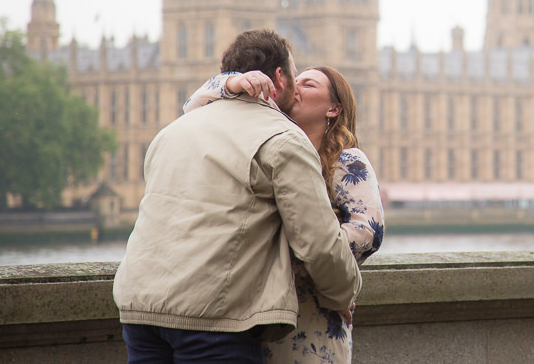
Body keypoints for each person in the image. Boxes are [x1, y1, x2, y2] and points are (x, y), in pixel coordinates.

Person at [113, 29, 361, 363]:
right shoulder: (284, 138)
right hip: (211, 315)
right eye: (296, 76)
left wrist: (226, 85)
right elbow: (318, 242)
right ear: (279, 78)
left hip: (139, 308)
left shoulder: (171, 131)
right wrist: (343, 292)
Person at [184, 64, 384, 364]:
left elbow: (368, 231)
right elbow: (193, 108)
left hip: (310, 319)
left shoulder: (347, 160)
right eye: (295, 80)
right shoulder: (270, 147)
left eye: (309, 84)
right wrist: (237, 81)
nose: (296, 87)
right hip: (255, 320)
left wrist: (298, 263)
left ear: (333, 109)